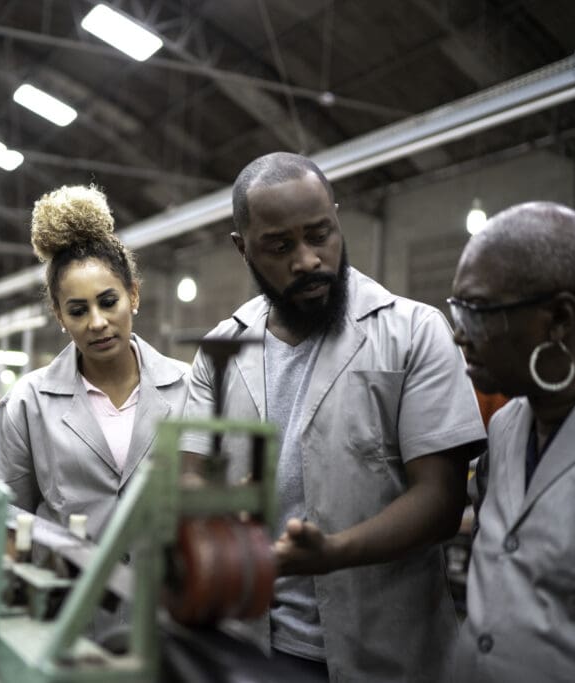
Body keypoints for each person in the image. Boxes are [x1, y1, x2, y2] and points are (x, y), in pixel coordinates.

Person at [181, 152, 486, 681]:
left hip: (386, 653)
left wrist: (335, 552)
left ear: (338, 219)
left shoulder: (414, 333)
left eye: (320, 234)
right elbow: (187, 478)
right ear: (242, 248)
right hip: (250, 647)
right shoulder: (219, 352)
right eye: (279, 246)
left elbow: (441, 499)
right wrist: (211, 506)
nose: (307, 260)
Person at [449, 202, 575, 681]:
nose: (459, 334)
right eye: (458, 310)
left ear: (559, 319)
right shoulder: (507, 426)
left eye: (479, 312)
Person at [0, 185, 190, 542]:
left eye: (107, 302)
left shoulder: (190, 389)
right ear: (59, 314)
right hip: (63, 593)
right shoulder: (29, 403)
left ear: (133, 294)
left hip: (162, 594)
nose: (97, 322)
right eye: (78, 310)